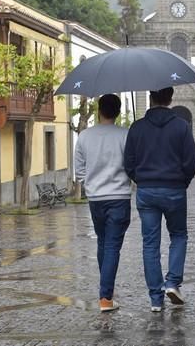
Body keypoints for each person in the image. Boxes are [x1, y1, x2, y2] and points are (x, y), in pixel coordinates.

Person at [124, 87, 195, 312]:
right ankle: (173, 283)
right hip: (174, 190)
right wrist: (182, 182)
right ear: (170, 98)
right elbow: (191, 161)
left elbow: (128, 162)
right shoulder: (181, 126)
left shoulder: (137, 127)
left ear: (150, 98)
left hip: (146, 192)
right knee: (178, 235)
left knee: (150, 244)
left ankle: (156, 299)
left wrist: (140, 179)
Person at [74, 94, 131, 312]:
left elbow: (79, 170)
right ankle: (105, 297)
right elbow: (132, 164)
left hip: (95, 198)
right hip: (118, 197)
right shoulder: (125, 135)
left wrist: (89, 184)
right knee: (112, 246)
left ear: (99, 110)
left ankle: (106, 289)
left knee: (103, 242)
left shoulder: (85, 136)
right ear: (117, 112)